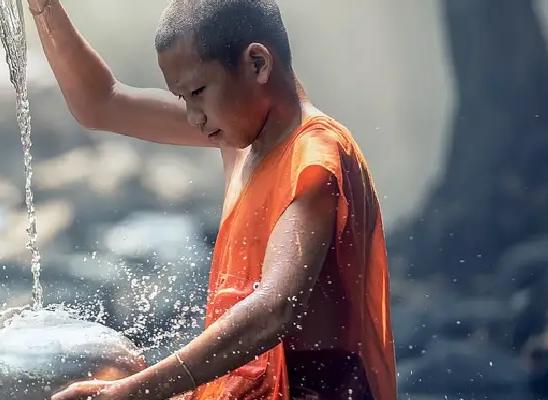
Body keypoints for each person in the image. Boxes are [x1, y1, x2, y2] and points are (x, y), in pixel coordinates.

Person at [30, 0, 396, 399]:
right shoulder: (239, 139)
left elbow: (275, 309)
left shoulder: (314, 156)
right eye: (182, 98)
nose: (193, 117)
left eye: (198, 92)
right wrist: (43, 8)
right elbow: (100, 104)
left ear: (257, 64)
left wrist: (133, 393)